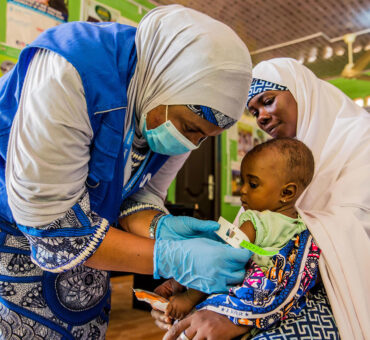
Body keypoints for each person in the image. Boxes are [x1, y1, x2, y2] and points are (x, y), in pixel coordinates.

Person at [0, 5, 253, 338]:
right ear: (165, 83)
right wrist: (172, 257)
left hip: (86, 252)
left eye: (204, 137)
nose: (192, 143)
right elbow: (53, 230)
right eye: (190, 128)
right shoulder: (71, 69)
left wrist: (159, 228)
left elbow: (136, 195)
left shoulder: (165, 102)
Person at [158, 58, 370, 340]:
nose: (261, 117)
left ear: (302, 93)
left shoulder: (360, 140)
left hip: (339, 292)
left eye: (267, 101)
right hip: (274, 287)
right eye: (254, 111)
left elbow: (351, 231)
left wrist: (241, 316)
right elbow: (239, 246)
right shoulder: (279, 162)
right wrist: (192, 283)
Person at [156, 137, 318, 333]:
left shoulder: (255, 222)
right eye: (243, 182)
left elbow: (218, 265)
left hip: (239, 302)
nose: (242, 190)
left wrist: (188, 298)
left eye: (253, 184)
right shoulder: (303, 226)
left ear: (287, 192)